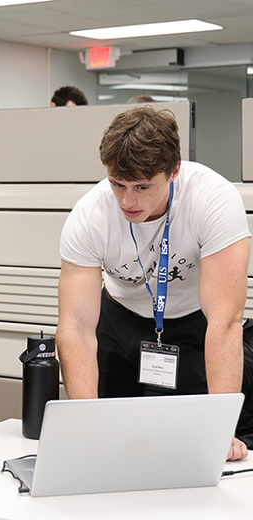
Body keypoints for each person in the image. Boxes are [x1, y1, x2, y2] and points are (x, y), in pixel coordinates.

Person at [56, 106, 251, 462]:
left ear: (173, 171)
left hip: (191, 326)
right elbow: (76, 328)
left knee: (189, 447)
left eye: (143, 187)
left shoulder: (213, 201)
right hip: (118, 321)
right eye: (118, 184)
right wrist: (84, 423)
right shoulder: (89, 216)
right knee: (109, 445)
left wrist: (222, 427)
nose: (128, 201)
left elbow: (225, 321)